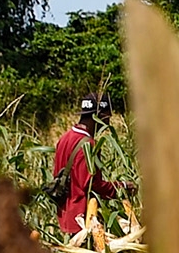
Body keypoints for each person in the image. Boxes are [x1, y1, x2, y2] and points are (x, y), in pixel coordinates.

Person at [50, 98, 127, 237]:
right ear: (98, 117)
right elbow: (92, 186)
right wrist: (122, 187)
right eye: (107, 119)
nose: (107, 124)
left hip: (64, 216)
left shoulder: (65, 137)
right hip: (82, 219)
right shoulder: (88, 145)